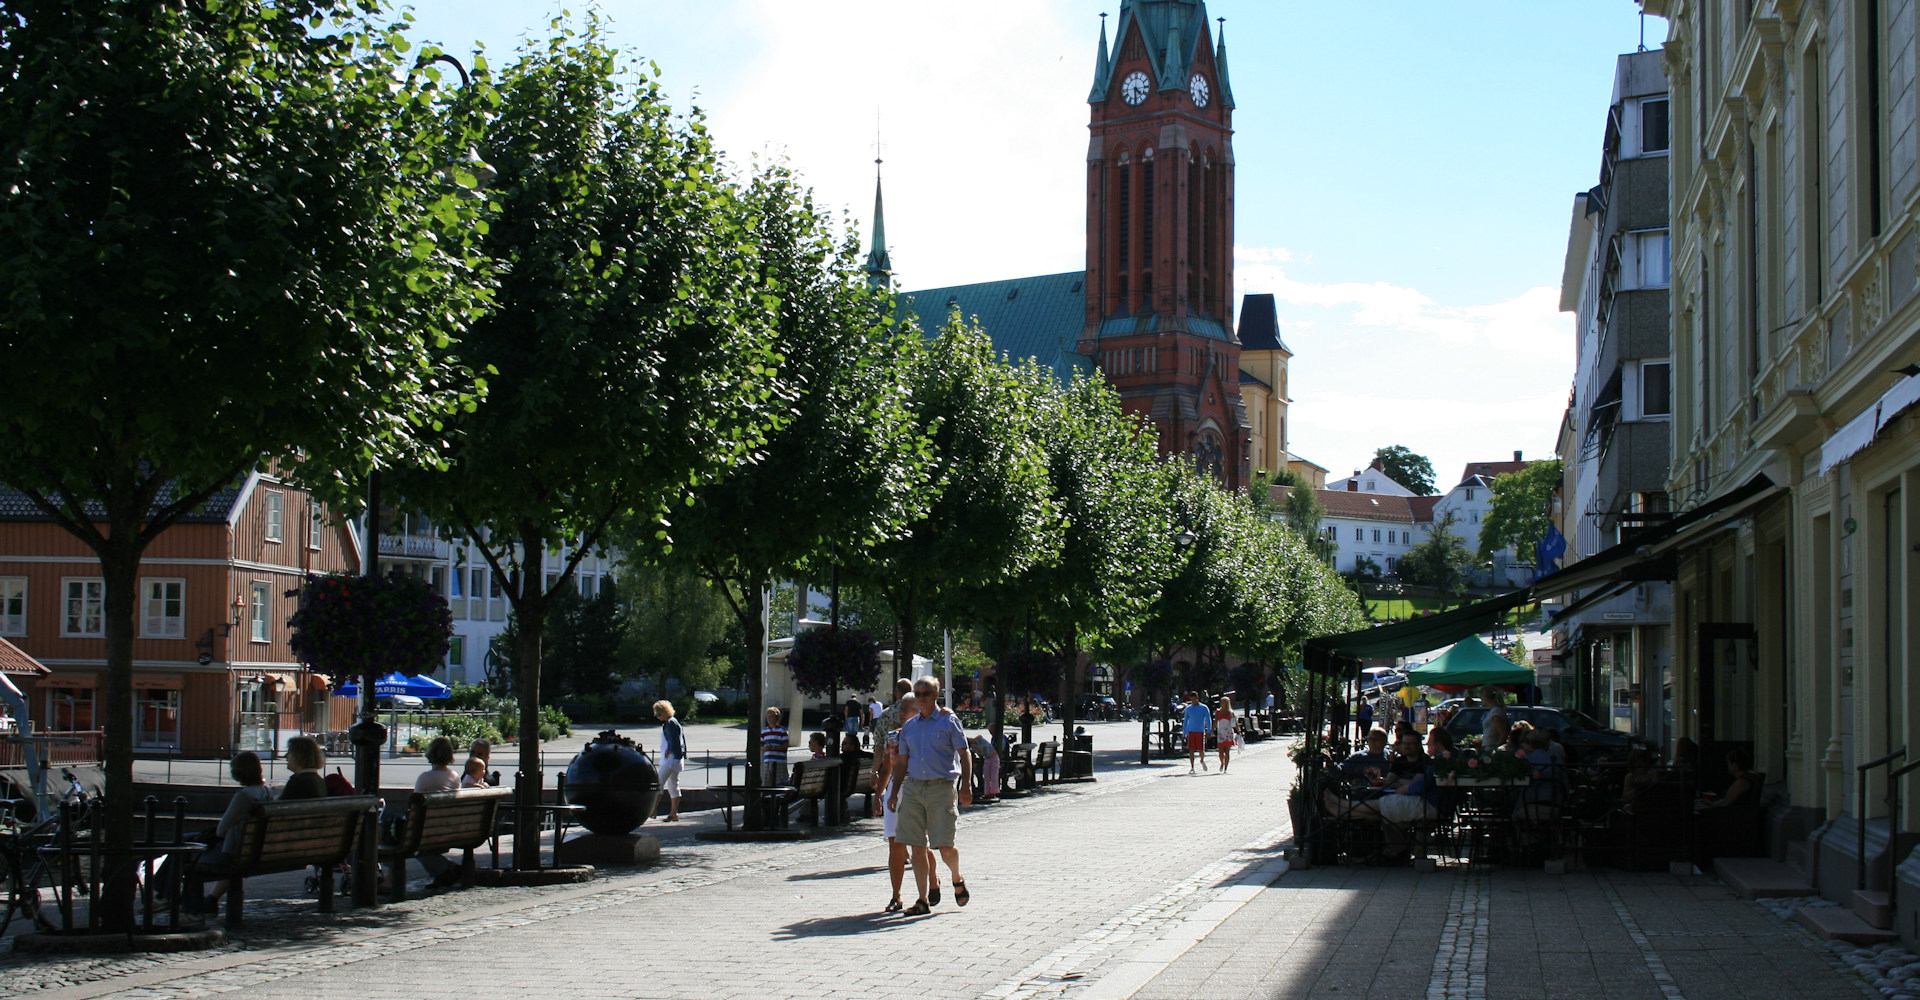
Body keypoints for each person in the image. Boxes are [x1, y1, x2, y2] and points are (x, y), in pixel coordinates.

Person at [887, 676, 972, 915]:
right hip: (914, 788)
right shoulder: (910, 727)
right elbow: (902, 762)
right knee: (917, 846)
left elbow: (964, 753)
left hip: (941, 787)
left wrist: (966, 786)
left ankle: (956, 876)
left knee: (945, 847)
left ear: (936, 695)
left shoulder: (948, 721)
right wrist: (894, 793)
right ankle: (922, 900)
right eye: (918, 693)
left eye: (926, 693)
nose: (921, 697)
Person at [177, 752, 274, 913]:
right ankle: (166, 896)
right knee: (186, 840)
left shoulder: (244, 796)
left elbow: (221, 830)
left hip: (232, 854)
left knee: (187, 857)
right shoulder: (267, 793)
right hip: (253, 852)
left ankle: (186, 908)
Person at [878, 695, 938, 912]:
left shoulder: (930, 735)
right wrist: (879, 795)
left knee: (919, 845)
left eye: (906, 709)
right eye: (901, 709)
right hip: (896, 791)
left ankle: (932, 878)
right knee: (896, 845)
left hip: (919, 791)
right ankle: (896, 896)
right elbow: (888, 767)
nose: (901, 713)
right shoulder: (894, 736)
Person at [406, 736, 463, 889]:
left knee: (407, 842)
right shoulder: (455, 777)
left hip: (427, 829)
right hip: (449, 827)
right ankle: (449, 869)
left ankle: (444, 871)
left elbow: (414, 804)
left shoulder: (425, 778)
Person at [654, 699, 686, 821]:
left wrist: (670, 750)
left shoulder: (670, 724)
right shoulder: (673, 722)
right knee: (673, 784)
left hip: (670, 759)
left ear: (663, 713)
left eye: (658, 714)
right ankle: (673, 813)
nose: (657, 717)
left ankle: (653, 809)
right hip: (675, 758)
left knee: (659, 783)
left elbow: (675, 741)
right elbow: (680, 741)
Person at [280, 736, 329, 800]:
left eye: (289, 752)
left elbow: (279, 807)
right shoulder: (319, 781)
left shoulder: (297, 782)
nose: (285, 756)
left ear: (298, 756)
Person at [1182, 690, 1212, 773]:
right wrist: (1184, 733)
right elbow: (1186, 721)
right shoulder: (1188, 708)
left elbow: (1208, 719)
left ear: (1197, 698)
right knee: (1191, 749)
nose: (1193, 701)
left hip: (1200, 731)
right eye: (1192, 699)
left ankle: (1202, 760)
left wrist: (1208, 730)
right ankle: (1192, 767)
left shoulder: (1203, 708)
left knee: (1201, 749)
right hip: (1191, 731)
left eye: (1195, 699)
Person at [760, 707, 789, 787]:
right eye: (767, 717)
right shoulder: (764, 731)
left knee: (780, 781)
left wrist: (773, 748)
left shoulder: (781, 731)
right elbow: (760, 745)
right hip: (768, 760)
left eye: (771, 717)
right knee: (767, 782)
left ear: (776, 717)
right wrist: (764, 748)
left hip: (779, 761)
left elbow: (785, 746)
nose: (769, 719)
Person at [1480, 686, 1510, 751]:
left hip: (1491, 746)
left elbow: (1503, 733)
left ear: (1485, 697)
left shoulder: (1496, 712)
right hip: (1488, 745)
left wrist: (1496, 749)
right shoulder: (1493, 710)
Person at [1214, 696, 1236, 773]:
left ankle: (1226, 767)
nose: (1222, 704)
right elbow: (1216, 721)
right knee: (1220, 751)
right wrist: (1212, 730)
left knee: (1227, 751)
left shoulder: (1230, 712)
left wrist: (1238, 730)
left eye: (1224, 702)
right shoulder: (1218, 712)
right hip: (1221, 733)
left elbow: (1234, 722)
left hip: (1228, 732)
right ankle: (1222, 762)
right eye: (1221, 702)